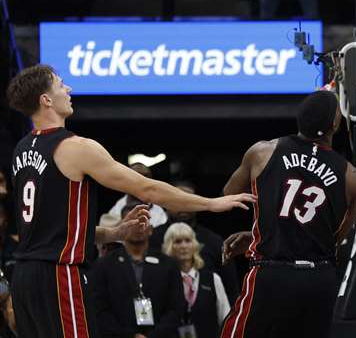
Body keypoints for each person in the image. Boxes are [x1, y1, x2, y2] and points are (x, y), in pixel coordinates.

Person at [5, 64, 254, 338]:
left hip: (25, 277)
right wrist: (210, 203)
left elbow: (52, 229)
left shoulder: (21, 150)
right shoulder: (75, 147)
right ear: (46, 99)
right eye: (61, 84)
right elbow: (146, 188)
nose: (69, 89)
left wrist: (115, 233)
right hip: (58, 274)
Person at [219, 90, 356, 338]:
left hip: (273, 273)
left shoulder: (263, 151)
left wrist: (265, 232)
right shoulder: (352, 177)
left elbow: (228, 195)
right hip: (318, 279)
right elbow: (336, 237)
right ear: (334, 125)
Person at [91, 204, 186, 338]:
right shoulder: (104, 265)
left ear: (151, 229)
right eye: (131, 222)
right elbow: (99, 309)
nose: (137, 226)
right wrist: (129, 336)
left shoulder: (169, 264)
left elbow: (176, 308)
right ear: (121, 227)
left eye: (142, 221)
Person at [163, 222, 231, 338]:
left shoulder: (213, 279)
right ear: (170, 246)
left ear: (194, 244)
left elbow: (225, 318)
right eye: (178, 241)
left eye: (187, 240)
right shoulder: (163, 280)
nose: (184, 246)